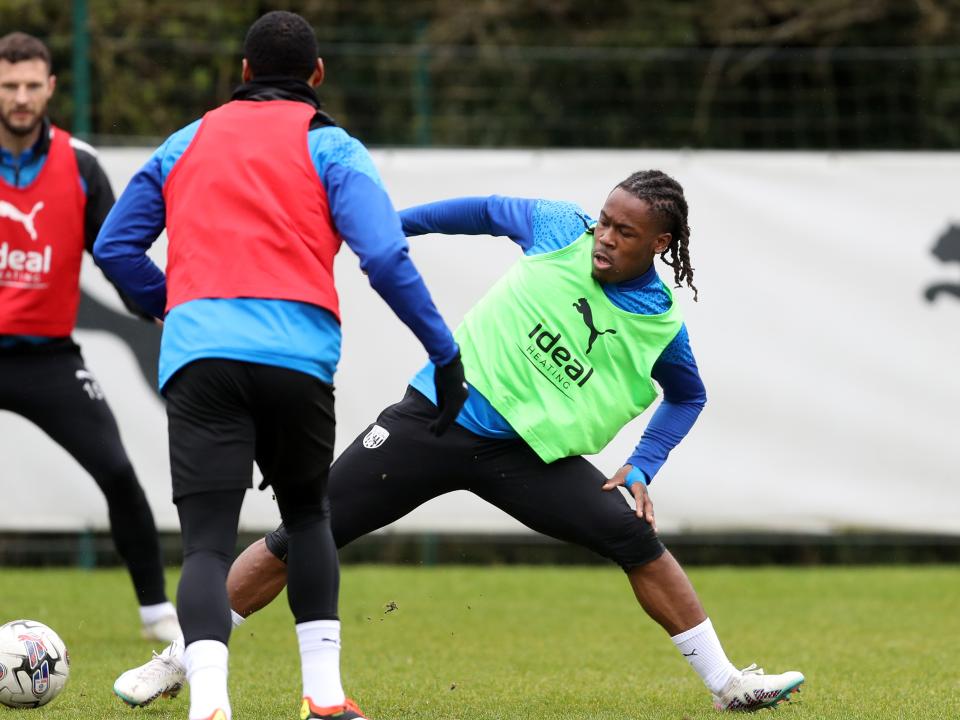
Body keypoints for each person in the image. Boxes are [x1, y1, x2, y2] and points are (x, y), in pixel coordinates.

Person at [113, 171, 805, 713]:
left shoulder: (661, 324)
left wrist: (643, 463)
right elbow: (481, 211)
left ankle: (726, 684)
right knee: (303, 533)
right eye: (605, 221)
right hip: (432, 420)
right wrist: (393, 227)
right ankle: (178, 660)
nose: (604, 237)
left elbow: (689, 394)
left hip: (528, 458)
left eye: (625, 232)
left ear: (660, 244)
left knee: (636, 542)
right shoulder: (559, 227)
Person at [94, 11, 467, 720]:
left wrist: (170, 308)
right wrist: (443, 352)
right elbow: (385, 257)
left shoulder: (186, 141)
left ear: (242, 74)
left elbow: (115, 246)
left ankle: (209, 704)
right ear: (317, 77)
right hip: (297, 358)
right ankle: (324, 699)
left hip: (201, 358)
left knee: (206, 543)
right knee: (307, 517)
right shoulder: (335, 146)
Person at [0, 31, 178, 643]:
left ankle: (159, 616)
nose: (20, 98)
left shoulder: (79, 165)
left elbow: (115, 255)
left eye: (30, 86)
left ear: (49, 88)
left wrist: (162, 306)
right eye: (8, 86)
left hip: (49, 357)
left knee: (118, 472)